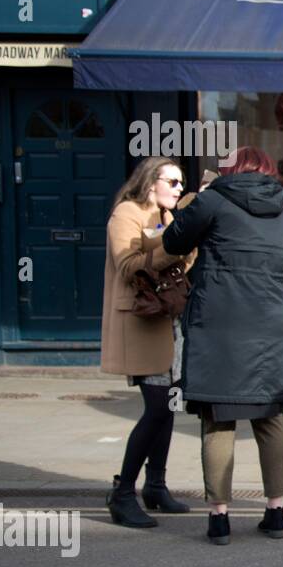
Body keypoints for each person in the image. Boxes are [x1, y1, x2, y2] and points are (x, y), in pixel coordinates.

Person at [162, 147, 283, 545]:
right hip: (272, 319)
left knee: (218, 413)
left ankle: (219, 518)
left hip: (221, 320)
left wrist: (200, 200)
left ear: (230, 170)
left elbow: (173, 241)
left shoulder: (213, 199)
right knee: (269, 415)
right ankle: (276, 513)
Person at [100, 157, 195, 527]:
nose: (178, 188)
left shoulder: (167, 216)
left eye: (181, 183)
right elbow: (128, 265)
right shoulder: (127, 212)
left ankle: (156, 485)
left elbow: (177, 267)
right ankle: (123, 492)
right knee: (156, 407)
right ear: (149, 181)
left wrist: (186, 248)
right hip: (139, 321)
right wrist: (173, 247)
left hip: (166, 320)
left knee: (168, 405)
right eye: (172, 181)